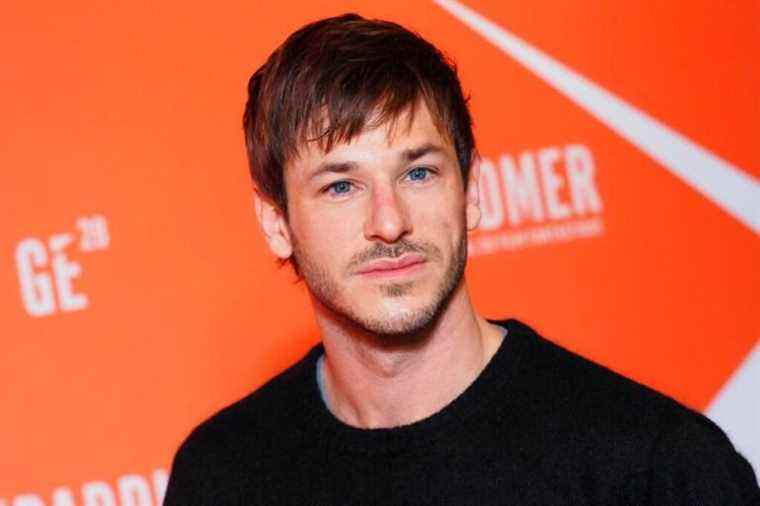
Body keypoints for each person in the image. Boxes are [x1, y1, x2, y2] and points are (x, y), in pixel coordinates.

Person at [164, 13, 759, 505]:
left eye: (418, 173)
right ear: (277, 223)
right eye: (341, 187)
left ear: (470, 190)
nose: (389, 222)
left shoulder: (656, 468)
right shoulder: (221, 477)